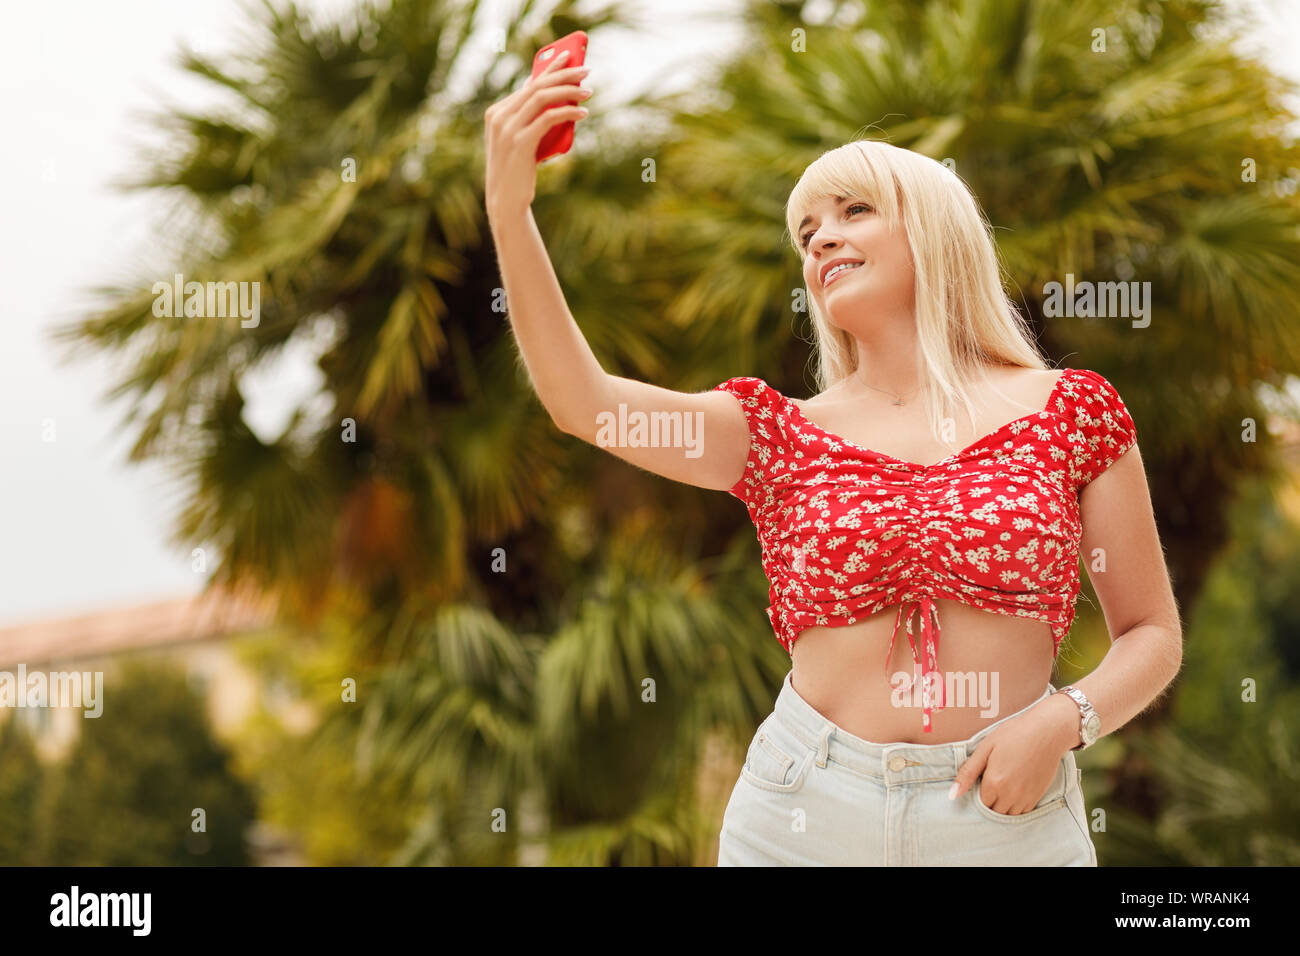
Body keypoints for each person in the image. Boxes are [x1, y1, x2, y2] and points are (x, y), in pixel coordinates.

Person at [483, 56, 1183, 866]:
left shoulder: (1071, 413)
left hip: (1009, 820)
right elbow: (586, 406)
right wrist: (510, 210)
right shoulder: (778, 434)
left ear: (933, 230)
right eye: (807, 231)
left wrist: (1066, 721)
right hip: (801, 814)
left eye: (854, 210)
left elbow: (1151, 633)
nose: (822, 238)